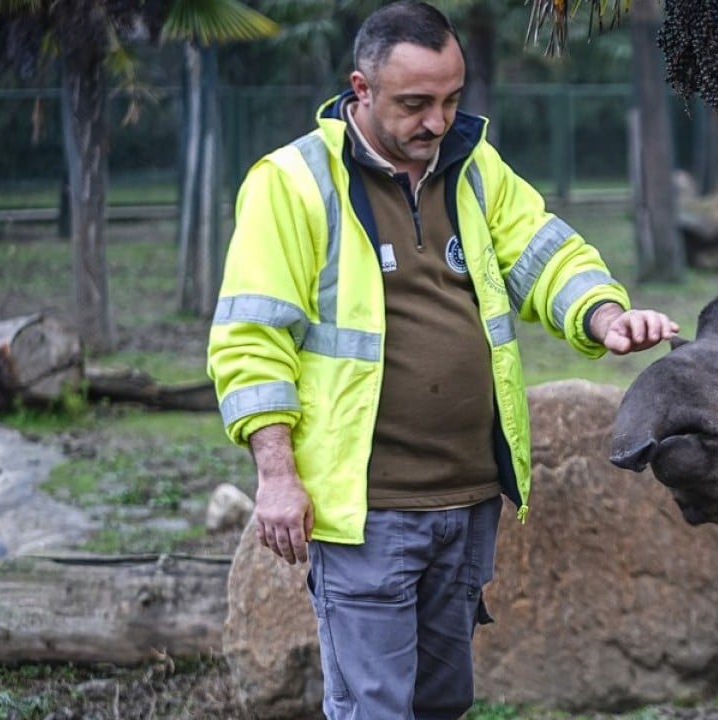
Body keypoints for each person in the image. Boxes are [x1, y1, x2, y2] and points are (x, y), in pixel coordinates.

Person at [206, 2, 679, 717]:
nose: (437, 121)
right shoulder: (293, 182)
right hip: (367, 512)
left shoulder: (473, 164)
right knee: (375, 708)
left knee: (443, 702)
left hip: (467, 501)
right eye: (415, 103)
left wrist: (605, 316)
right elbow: (252, 338)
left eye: (452, 99)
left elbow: (543, 253)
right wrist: (275, 476)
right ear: (361, 89)